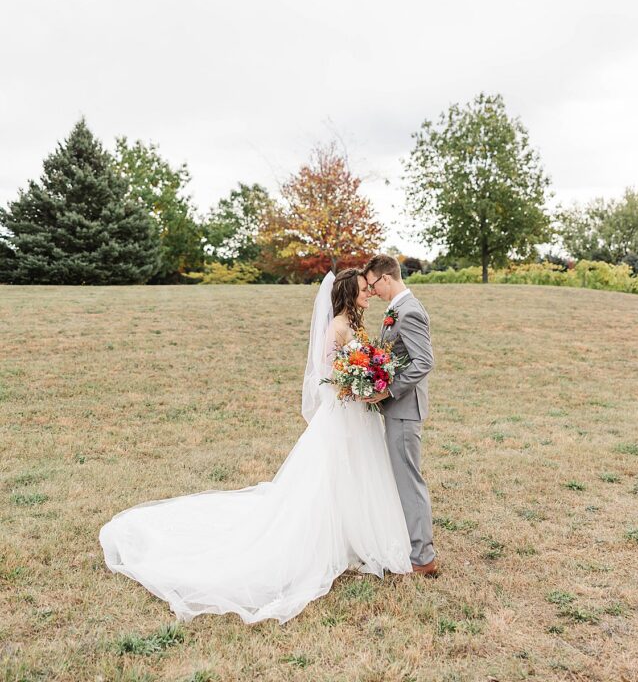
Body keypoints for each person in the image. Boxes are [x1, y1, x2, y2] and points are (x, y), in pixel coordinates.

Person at [99, 269, 412, 625]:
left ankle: (356, 536)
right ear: (346, 295)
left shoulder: (353, 325)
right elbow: (327, 376)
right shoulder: (337, 327)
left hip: (359, 414)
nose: (369, 294)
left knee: (358, 473)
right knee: (331, 476)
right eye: (362, 291)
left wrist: (369, 380)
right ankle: (332, 539)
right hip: (343, 416)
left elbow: (355, 366)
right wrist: (356, 385)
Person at [362, 254, 437, 576]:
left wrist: (389, 391)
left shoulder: (409, 312)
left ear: (386, 278)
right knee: (400, 478)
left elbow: (424, 361)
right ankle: (409, 544)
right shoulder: (395, 310)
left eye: (373, 284)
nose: (372, 290)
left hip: (405, 411)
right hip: (396, 410)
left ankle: (423, 558)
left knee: (409, 481)